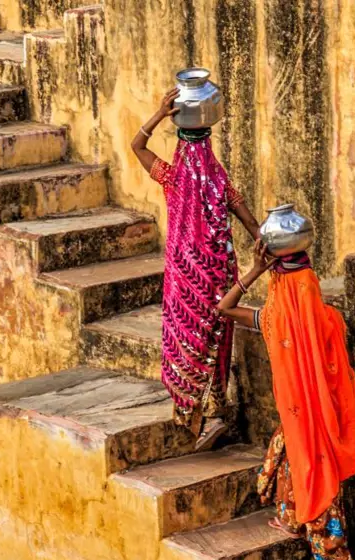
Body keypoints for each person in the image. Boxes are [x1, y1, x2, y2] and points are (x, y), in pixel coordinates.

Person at [216, 241, 355, 560]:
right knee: (288, 458)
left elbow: (223, 307)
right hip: (323, 420)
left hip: (303, 420)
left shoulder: (271, 320)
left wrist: (255, 271)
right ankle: (292, 518)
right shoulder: (332, 322)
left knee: (315, 480)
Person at [132, 88, 261, 449]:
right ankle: (215, 413)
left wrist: (158, 115)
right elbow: (251, 223)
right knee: (216, 341)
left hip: (185, 276)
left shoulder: (172, 178)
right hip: (219, 274)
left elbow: (137, 148)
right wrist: (267, 247)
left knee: (185, 340)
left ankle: (198, 415)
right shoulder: (219, 182)